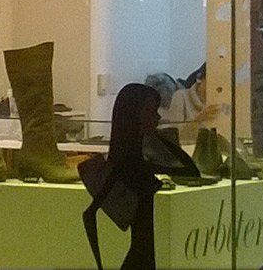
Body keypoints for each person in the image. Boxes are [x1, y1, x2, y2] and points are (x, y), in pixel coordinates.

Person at [82, 82, 204, 270]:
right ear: (135, 116)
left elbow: (190, 171)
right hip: (142, 253)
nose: (157, 117)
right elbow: (90, 214)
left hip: (147, 252)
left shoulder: (136, 164)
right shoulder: (128, 168)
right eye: (151, 112)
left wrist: (158, 136)